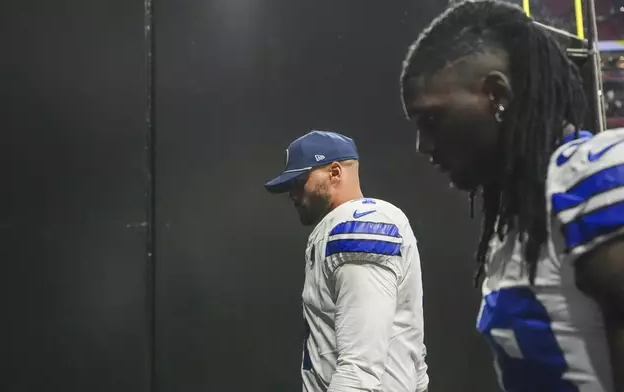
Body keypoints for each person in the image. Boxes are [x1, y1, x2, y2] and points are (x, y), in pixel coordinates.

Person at [399, 1, 624, 391]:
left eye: (432, 119)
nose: (423, 145)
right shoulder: (518, 220)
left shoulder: (591, 177)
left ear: (496, 94)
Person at [264, 130, 429, 392]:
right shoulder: (344, 225)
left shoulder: (359, 223)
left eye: (300, 182)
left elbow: (360, 366)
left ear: (335, 172)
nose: (293, 195)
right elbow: (413, 357)